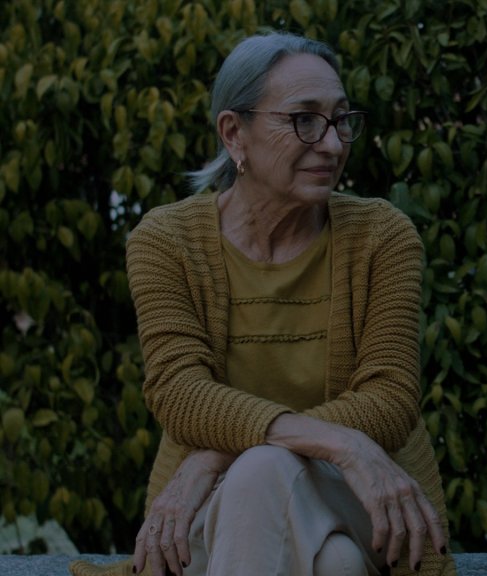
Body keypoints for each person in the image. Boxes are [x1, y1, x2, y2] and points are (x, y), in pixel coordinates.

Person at [70, 31, 453, 576]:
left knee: (261, 469)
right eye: (305, 120)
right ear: (234, 133)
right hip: (208, 518)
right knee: (336, 565)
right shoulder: (167, 241)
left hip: (363, 503)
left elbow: (390, 401)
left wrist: (216, 455)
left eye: (341, 120)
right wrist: (340, 442)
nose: (332, 144)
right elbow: (179, 393)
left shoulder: (382, 236)